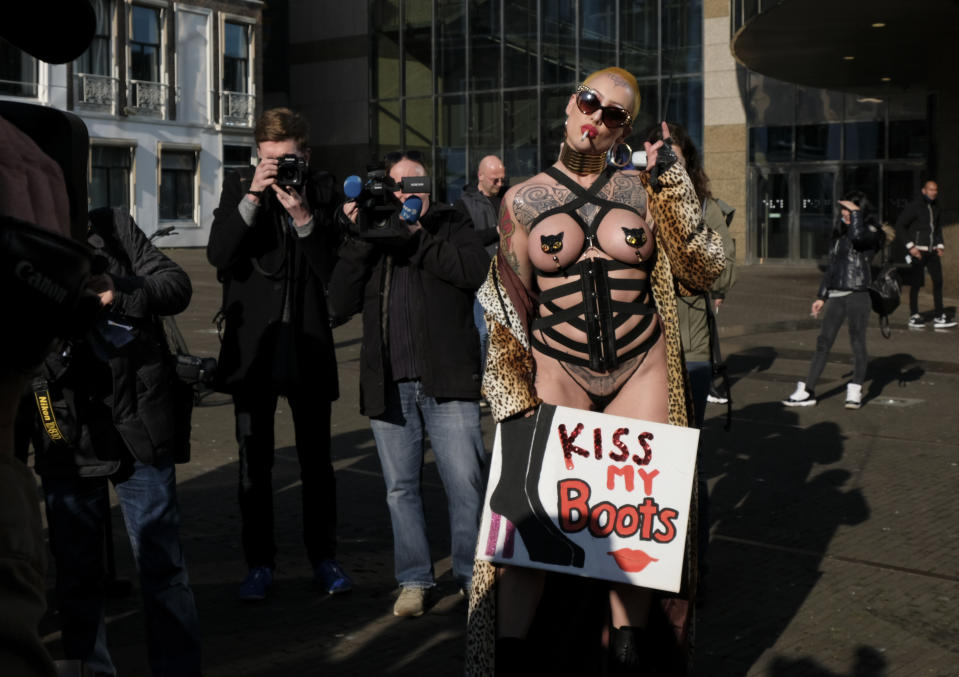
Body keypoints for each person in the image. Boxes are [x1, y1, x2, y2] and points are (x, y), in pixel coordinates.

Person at [466, 67, 726, 676]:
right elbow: (507, 307)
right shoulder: (523, 200)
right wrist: (510, 394)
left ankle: (630, 645)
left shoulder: (646, 192)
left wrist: (677, 186)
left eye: (615, 114)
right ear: (568, 105)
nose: (597, 117)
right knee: (534, 520)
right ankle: (511, 655)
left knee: (635, 525)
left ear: (624, 130)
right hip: (559, 368)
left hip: (643, 366)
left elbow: (703, 269)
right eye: (590, 102)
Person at [28, 207, 202, 676]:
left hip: (139, 429)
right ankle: (91, 669)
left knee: (164, 570)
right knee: (77, 579)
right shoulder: (19, 240)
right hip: (64, 432)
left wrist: (119, 291)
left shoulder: (110, 225)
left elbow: (176, 285)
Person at [328, 151, 490, 618]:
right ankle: (415, 580)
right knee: (400, 489)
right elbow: (338, 302)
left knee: (465, 483)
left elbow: (476, 273)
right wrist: (360, 239)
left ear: (429, 187)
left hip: (448, 378)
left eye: (414, 185)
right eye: (398, 185)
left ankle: (469, 577)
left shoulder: (450, 222)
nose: (405, 194)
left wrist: (418, 237)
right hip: (389, 382)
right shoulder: (372, 231)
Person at [207, 107, 351, 601]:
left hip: (308, 343)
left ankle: (324, 558)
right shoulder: (239, 188)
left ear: (305, 156)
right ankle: (259, 564)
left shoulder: (324, 191)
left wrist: (303, 216)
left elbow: (335, 272)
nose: (279, 169)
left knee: (317, 463)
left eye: (287, 160)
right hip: (255, 351)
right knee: (255, 465)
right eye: (269, 160)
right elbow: (219, 256)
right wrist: (253, 194)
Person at [646, 123, 736, 428]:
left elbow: (724, 276)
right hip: (638, 349)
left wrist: (681, 222)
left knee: (685, 447)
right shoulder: (630, 206)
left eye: (676, 162)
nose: (668, 168)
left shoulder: (706, 209)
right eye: (660, 159)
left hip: (688, 347)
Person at [782, 192, 883, 410]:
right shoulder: (839, 237)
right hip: (837, 295)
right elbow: (831, 269)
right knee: (823, 342)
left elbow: (858, 238)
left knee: (857, 342)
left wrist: (856, 214)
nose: (845, 214)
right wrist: (821, 296)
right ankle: (808, 390)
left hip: (858, 294)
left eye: (850, 210)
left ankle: (855, 389)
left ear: (860, 212)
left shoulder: (871, 233)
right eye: (844, 210)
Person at [455, 155, 508, 367]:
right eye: (495, 180)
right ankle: (481, 384)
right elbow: (465, 240)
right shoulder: (464, 204)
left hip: (508, 274)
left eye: (502, 179)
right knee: (483, 333)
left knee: (508, 333)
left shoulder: (508, 197)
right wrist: (495, 232)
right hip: (483, 277)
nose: (500, 184)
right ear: (481, 176)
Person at [896, 180, 956, 329]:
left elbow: (937, 229)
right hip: (917, 251)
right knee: (916, 283)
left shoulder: (936, 207)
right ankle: (914, 315)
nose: (933, 192)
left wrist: (940, 245)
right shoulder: (914, 206)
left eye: (935, 190)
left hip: (932, 251)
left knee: (938, 282)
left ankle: (938, 316)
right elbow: (900, 226)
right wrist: (911, 247)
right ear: (924, 190)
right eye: (930, 190)